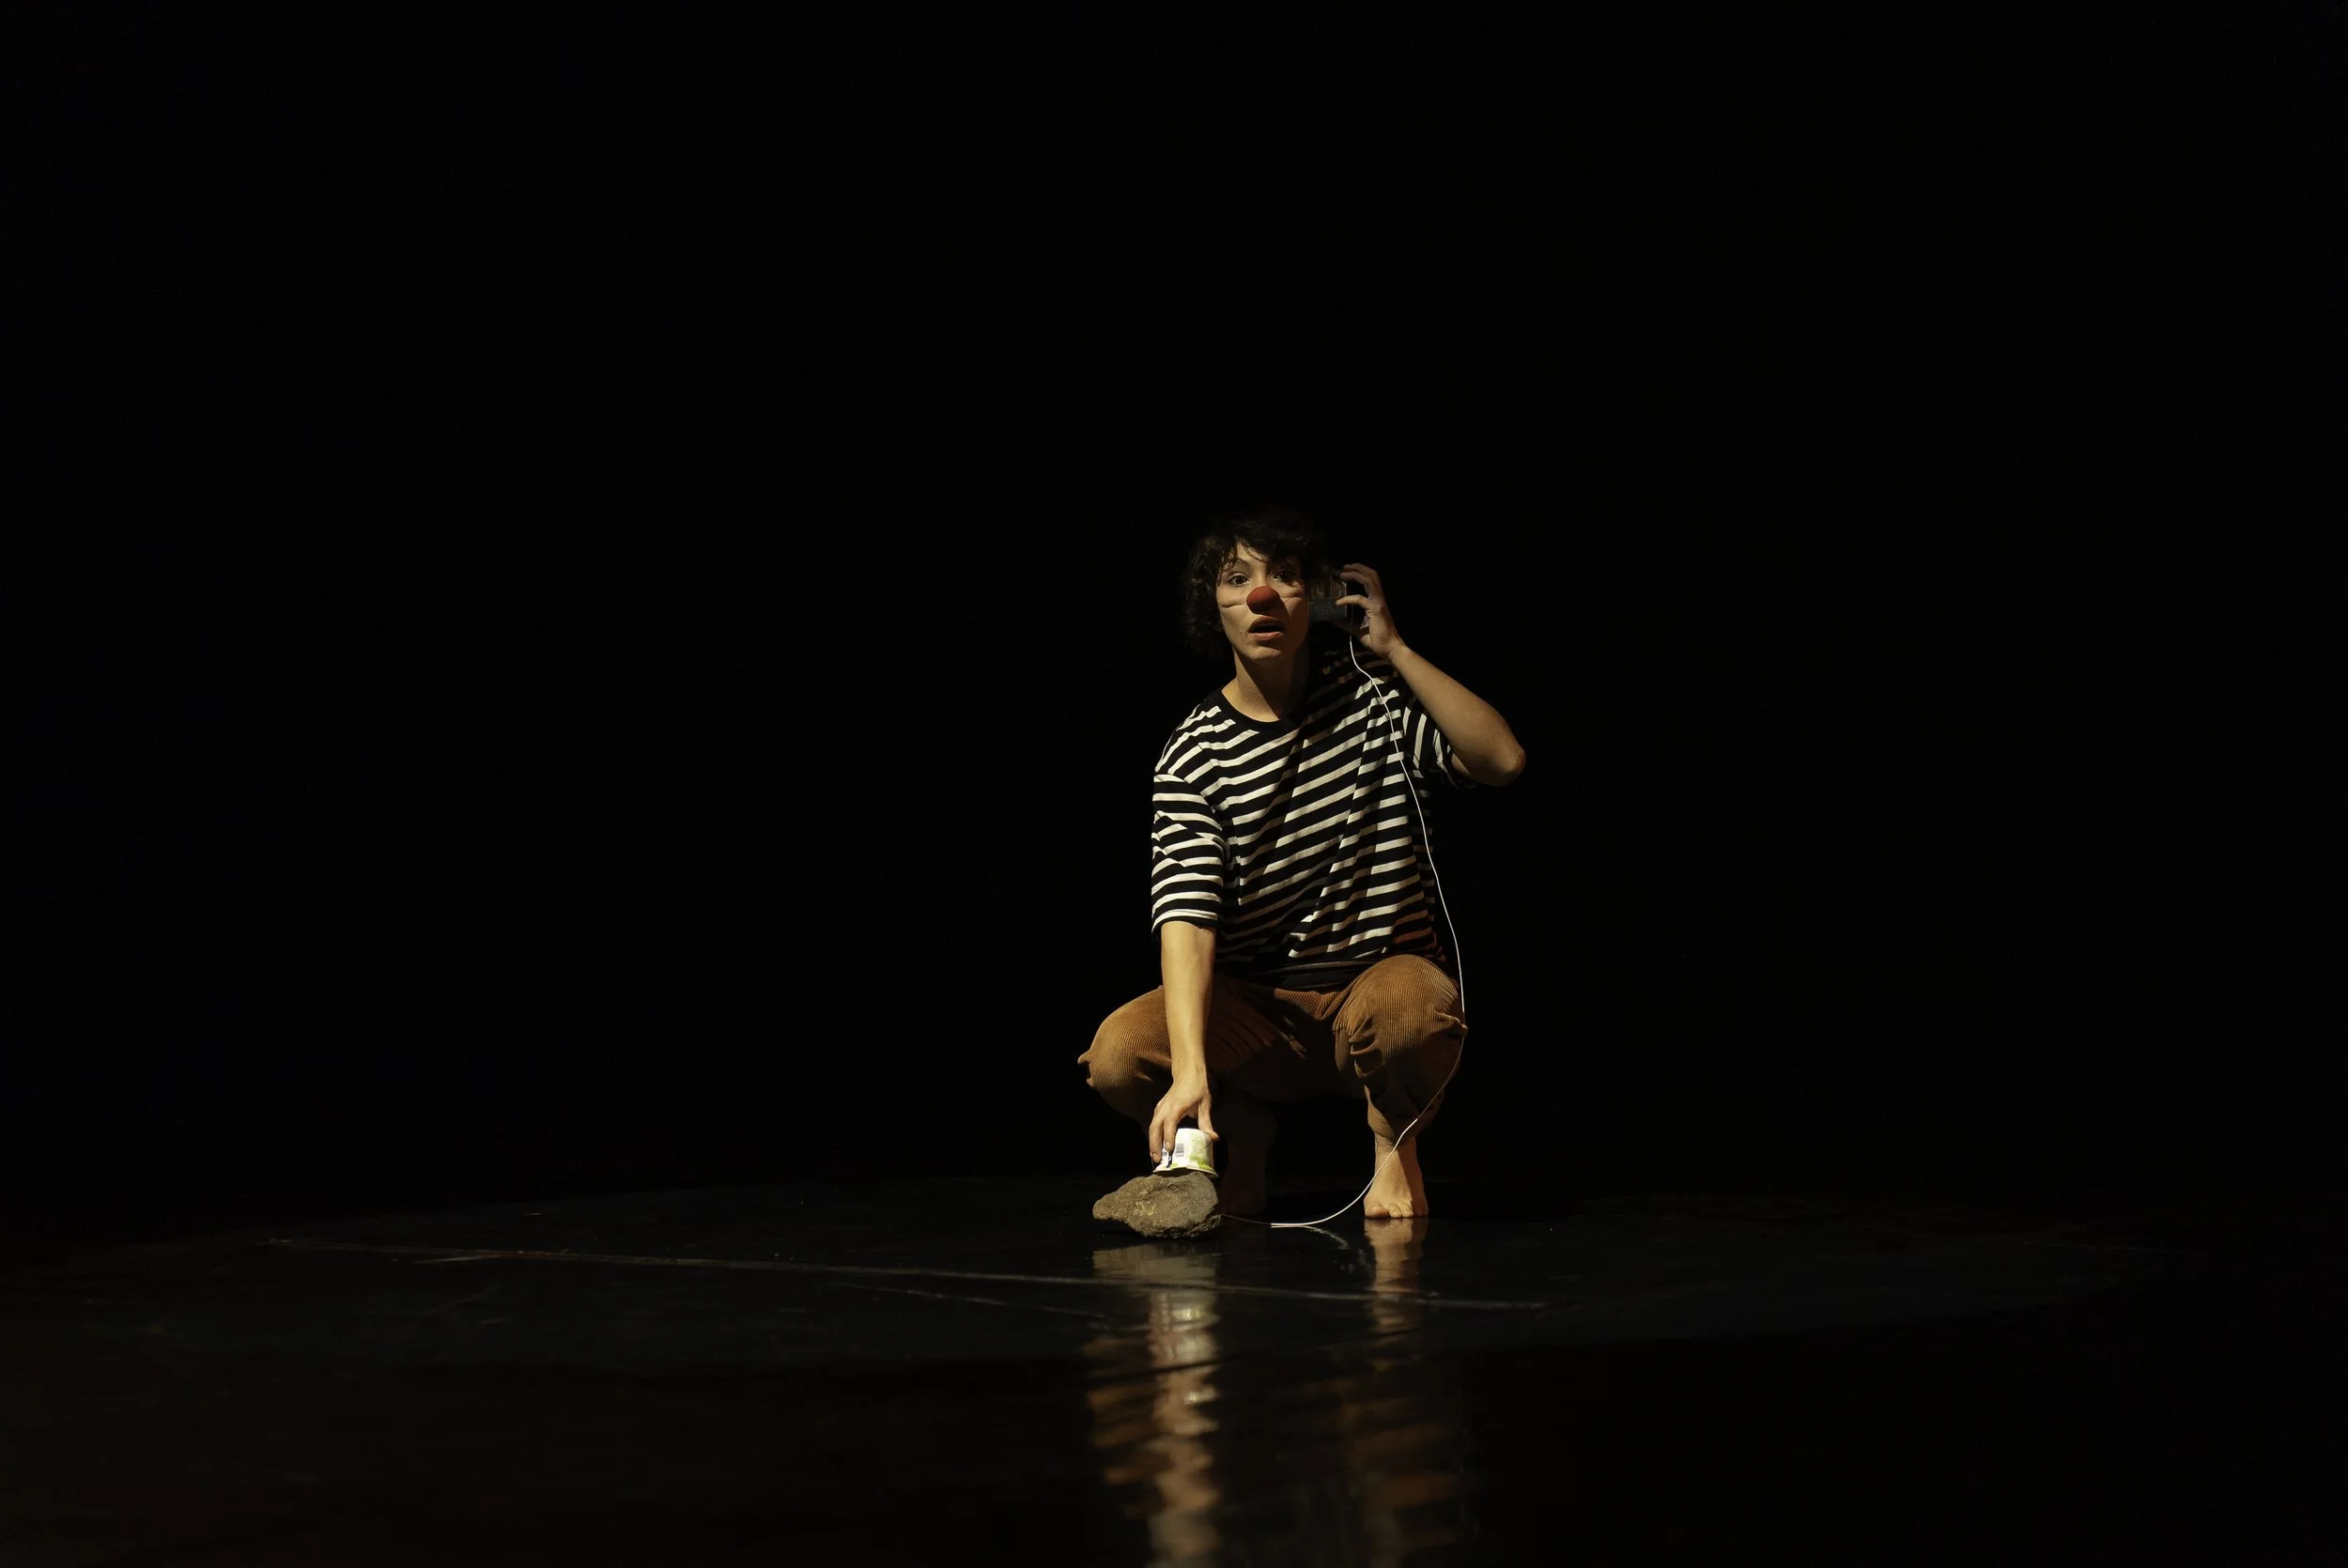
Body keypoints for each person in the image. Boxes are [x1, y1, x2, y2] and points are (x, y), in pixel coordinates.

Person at [1079, 507, 1526, 1219]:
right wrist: (1192, 1074)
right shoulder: (1193, 755)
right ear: (1212, 608)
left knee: (1417, 1009)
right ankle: (1245, 1135)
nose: (1262, 596)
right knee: (1120, 1054)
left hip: (1373, 993)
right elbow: (1187, 918)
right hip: (1261, 1015)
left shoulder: (1369, 698)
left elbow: (1500, 760)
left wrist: (1398, 648)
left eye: (1283, 577)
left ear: (1314, 598)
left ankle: (1393, 1143)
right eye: (1237, 579)